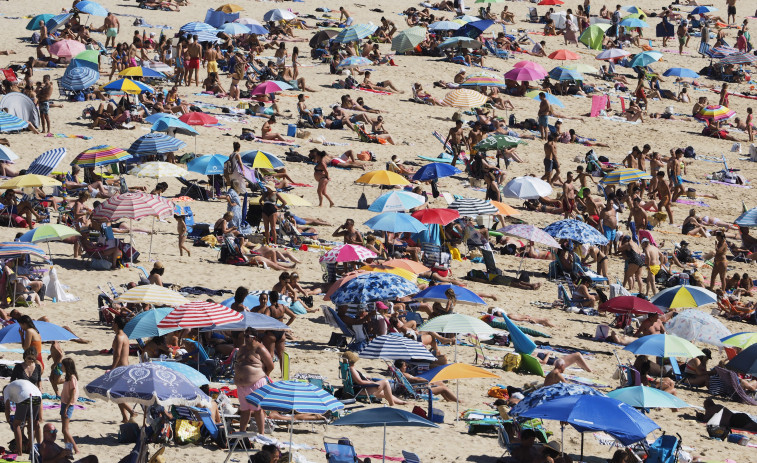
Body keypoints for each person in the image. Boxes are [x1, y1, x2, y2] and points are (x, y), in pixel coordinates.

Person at [234, 328, 274, 435]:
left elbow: (270, 365)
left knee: (258, 410)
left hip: (256, 383)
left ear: (254, 338)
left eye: (247, 336)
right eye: (244, 336)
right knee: (244, 410)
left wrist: (262, 374)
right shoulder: (242, 348)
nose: (245, 338)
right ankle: (242, 432)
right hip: (241, 385)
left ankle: (261, 433)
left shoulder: (260, 349)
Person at [342, 352, 406, 406]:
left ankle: (402, 402)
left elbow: (356, 380)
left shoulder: (346, 368)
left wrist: (365, 378)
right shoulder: (351, 369)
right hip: (361, 390)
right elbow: (360, 382)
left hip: (359, 389)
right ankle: (392, 404)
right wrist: (372, 382)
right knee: (385, 382)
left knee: (384, 393)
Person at [110, 316, 134, 423]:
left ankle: (132, 412)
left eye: (113, 322)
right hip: (125, 367)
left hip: (120, 368)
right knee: (118, 393)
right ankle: (124, 417)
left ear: (116, 324)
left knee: (114, 393)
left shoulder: (119, 337)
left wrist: (112, 368)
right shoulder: (124, 336)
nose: (111, 324)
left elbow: (117, 355)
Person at [59, 358, 79, 454]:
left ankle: (76, 449)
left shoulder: (72, 378)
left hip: (68, 404)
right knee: (64, 430)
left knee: (65, 430)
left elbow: (73, 392)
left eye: (62, 365)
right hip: (64, 403)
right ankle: (68, 449)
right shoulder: (67, 377)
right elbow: (57, 381)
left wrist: (67, 407)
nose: (61, 367)